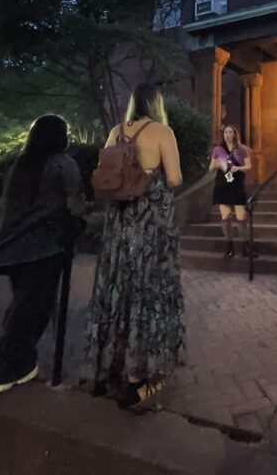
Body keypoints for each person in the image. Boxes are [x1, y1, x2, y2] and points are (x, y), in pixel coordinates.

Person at [83, 83, 186, 408]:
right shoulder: (162, 131)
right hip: (149, 229)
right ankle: (136, 381)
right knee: (146, 294)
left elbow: (107, 175)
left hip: (118, 227)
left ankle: (106, 371)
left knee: (117, 292)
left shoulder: (115, 131)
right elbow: (175, 179)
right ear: (156, 104)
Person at [0, 114, 85, 394]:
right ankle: (9, 369)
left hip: (11, 246)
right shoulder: (63, 164)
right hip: (42, 247)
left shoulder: (23, 164)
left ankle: (1, 365)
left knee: (21, 305)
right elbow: (74, 203)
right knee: (35, 309)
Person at [210, 124, 254, 258]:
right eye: (225, 133)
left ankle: (246, 248)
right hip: (223, 185)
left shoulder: (242, 149)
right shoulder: (218, 149)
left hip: (237, 185)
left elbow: (249, 166)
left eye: (230, 132)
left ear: (234, 134)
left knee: (241, 217)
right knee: (226, 218)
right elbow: (211, 167)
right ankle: (230, 248)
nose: (227, 135)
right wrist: (219, 164)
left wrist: (237, 168)